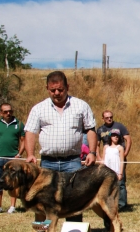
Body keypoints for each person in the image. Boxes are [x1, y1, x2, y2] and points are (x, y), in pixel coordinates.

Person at [25, 71, 98, 223]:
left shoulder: (81, 105)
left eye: (60, 89)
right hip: (47, 162)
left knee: (75, 198)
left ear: (67, 87)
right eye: (53, 90)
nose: (57, 93)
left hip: (72, 161)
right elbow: (30, 132)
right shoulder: (38, 108)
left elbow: (90, 129)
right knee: (44, 199)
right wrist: (30, 154)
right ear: (47, 88)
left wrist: (92, 152)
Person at [0, 103, 25, 214]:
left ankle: (12, 207)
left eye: (10, 111)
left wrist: (19, 154)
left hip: (13, 158)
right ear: (1, 113)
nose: (8, 113)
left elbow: (23, 140)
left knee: (13, 182)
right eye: (5, 112)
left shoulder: (19, 124)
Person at [97, 110, 131, 210]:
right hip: (107, 159)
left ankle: (122, 205)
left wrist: (125, 154)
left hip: (118, 157)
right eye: (107, 117)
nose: (109, 119)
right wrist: (99, 157)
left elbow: (128, 139)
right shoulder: (100, 129)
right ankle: (108, 203)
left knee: (120, 182)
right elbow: (97, 144)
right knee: (106, 182)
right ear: (103, 118)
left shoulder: (119, 126)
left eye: (111, 117)